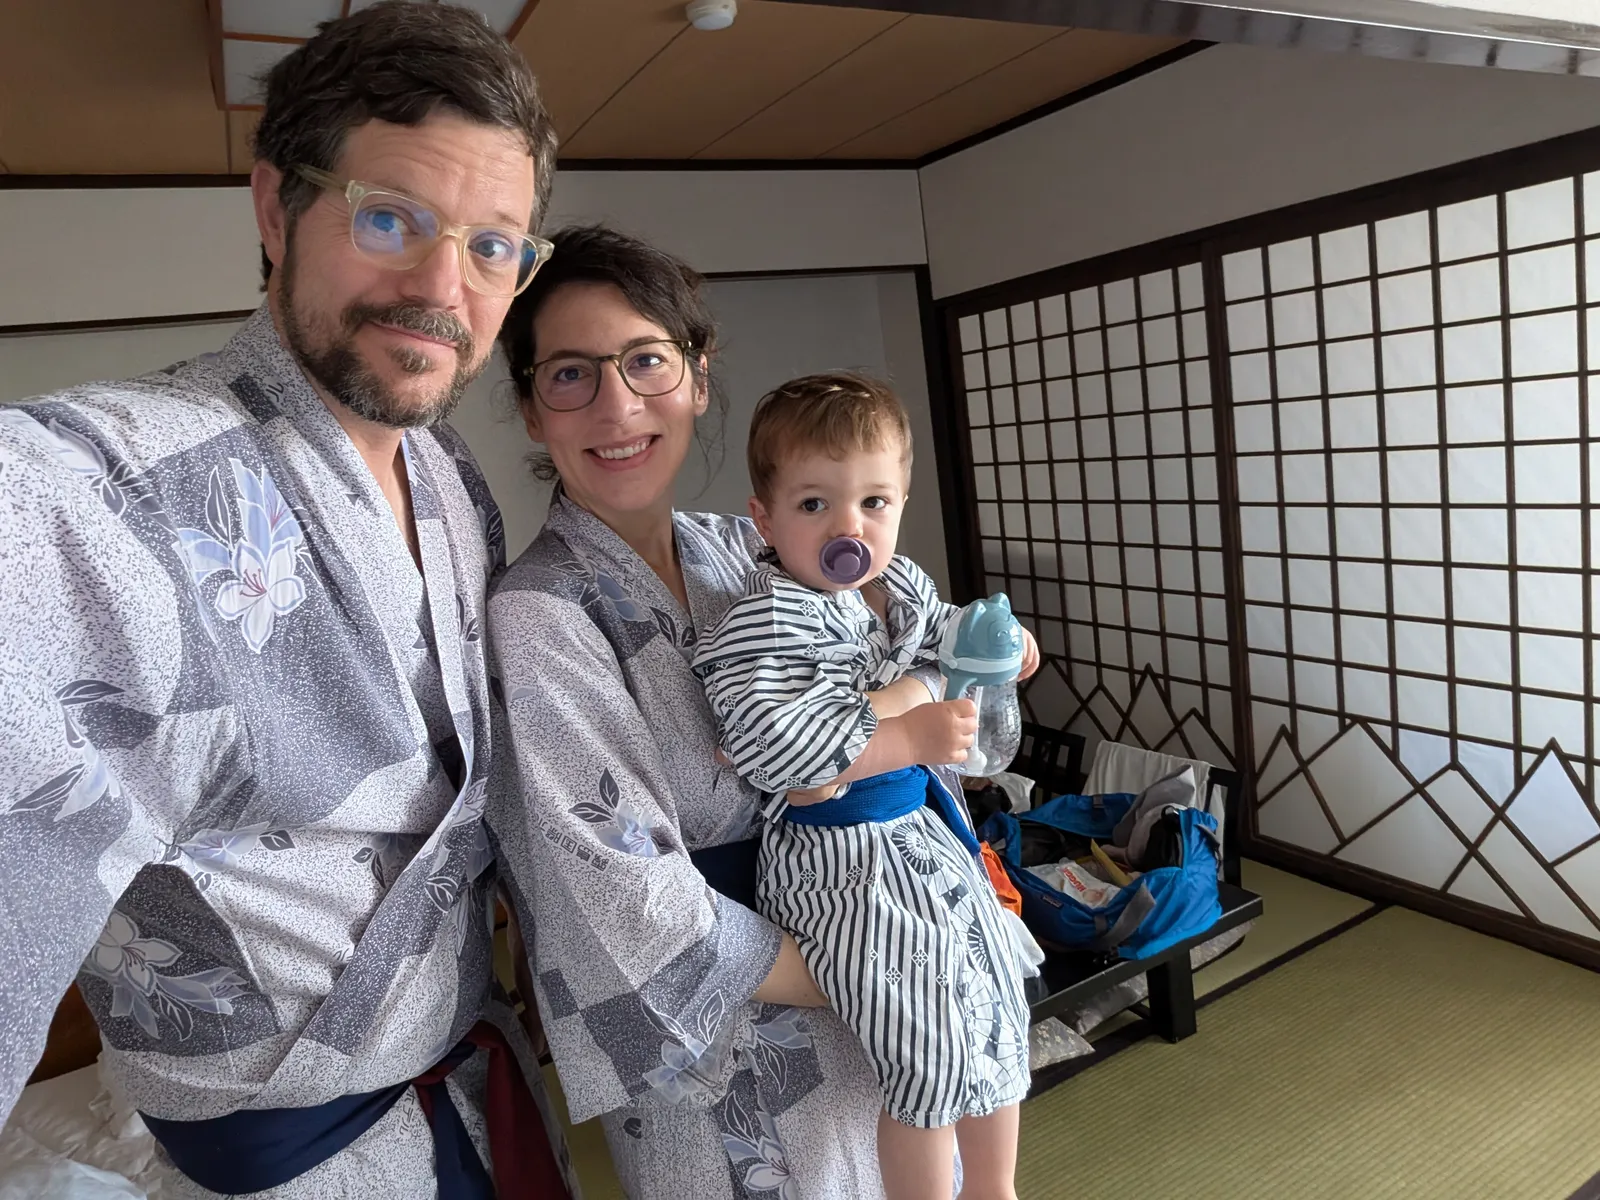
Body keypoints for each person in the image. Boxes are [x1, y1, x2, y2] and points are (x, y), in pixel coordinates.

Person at [0, 5, 576, 1197]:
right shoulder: (118, 489)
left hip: (465, 1072)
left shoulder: (452, 476)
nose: (440, 287)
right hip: (292, 1147)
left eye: (492, 248)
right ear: (276, 208)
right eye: (389, 219)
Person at [487, 226, 964, 1199]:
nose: (616, 405)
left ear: (698, 378)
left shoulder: (742, 548)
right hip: (742, 1022)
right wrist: (866, 966)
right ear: (531, 410)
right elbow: (621, 901)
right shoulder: (535, 617)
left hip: (869, 934)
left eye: (646, 361)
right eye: (570, 373)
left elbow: (910, 663)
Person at [690, 373, 1038, 1200]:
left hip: (922, 836)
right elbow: (776, 750)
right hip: (842, 864)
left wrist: (1006, 644)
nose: (851, 527)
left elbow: (952, 630)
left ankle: (995, 1188)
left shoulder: (897, 586)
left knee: (996, 1007)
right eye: (816, 505)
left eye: (875, 503)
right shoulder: (764, 622)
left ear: (900, 504)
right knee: (926, 1049)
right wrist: (905, 730)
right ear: (764, 520)